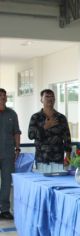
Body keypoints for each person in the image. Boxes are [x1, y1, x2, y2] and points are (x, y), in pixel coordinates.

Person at [28, 89, 72, 164]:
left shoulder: (61, 117)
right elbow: (31, 135)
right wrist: (45, 127)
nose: (50, 99)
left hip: (58, 158)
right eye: (47, 96)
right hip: (41, 158)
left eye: (52, 96)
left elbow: (67, 138)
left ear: (54, 99)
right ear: (41, 99)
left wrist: (68, 156)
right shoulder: (35, 117)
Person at [0, 88, 21, 220]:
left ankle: (5, 210)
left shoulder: (12, 114)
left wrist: (17, 148)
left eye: (4, 95)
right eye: (0, 95)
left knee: (7, 183)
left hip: (8, 154)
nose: (2, 97)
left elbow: (17, 132)